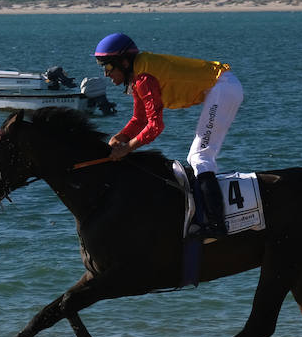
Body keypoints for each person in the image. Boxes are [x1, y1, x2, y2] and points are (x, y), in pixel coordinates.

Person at [94, 32, 246, 241]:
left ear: (124, 62)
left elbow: (156, 125)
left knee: (199, 157)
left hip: (224, 88)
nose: (106, 74)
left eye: (108, 67)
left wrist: (128, 147)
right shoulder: (138, 75)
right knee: (198, 157)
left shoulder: (145, 78)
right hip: (222, 87)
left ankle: (217, 225)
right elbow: (139, 118)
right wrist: (121, 136)